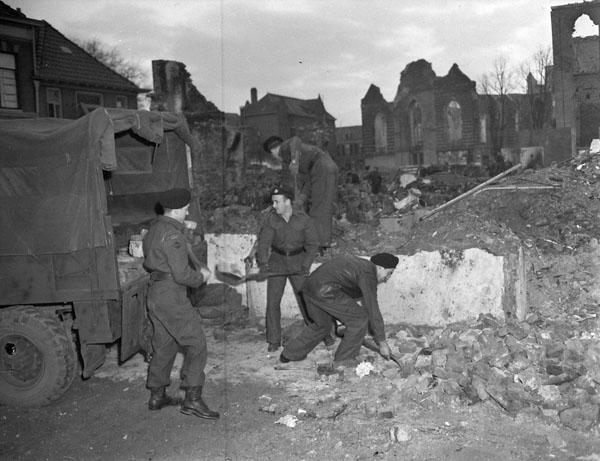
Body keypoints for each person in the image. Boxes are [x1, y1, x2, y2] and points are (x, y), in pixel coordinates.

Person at [142, 188, 219, 419]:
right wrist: (201, 278)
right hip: (171, 295)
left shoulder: (154, 230)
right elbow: (181, 274)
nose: (187, 212)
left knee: (164, 345)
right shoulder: (173, 235)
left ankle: (157, 396)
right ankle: (193, 400)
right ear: (176, 210)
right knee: (196, 343)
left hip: (155, 294)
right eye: (185, 209)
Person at [279, 252, 399, 367]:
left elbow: (342, 290)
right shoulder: (368, 274)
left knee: (322, 326)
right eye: (389, 273)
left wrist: (342, 319)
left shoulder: (360, 265)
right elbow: (373, 309)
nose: (387, 278)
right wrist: (382, 343)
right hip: (325, 292)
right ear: (380, 267)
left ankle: (289, 354)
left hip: (309, 288)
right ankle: (344, 359)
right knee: (360, 319)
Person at [255, 185, 321, 352]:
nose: (274, 206)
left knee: (307, 300)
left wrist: (306, 265)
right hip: (277, 262)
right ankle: (274, 340)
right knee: (272, 302)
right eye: (273, 202)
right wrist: (263, 263)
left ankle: (320, 333)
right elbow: (263, 243)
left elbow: (313, 244)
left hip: (298, 262)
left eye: (277, 202)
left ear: (288, 202)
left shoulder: (303, 220)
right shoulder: (271, 220)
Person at [263, 135, 339, 252]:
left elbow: (295, 140)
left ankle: (319, 244)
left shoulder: (285, 148)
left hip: (322, 167)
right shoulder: (301, 159)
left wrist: (294, 161)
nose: (274, 156)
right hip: (323, 168)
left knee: (319, 208)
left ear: (273, 149)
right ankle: (322, 243)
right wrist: (301, 199)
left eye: (272, 153)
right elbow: (308, 182)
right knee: (321, 206)